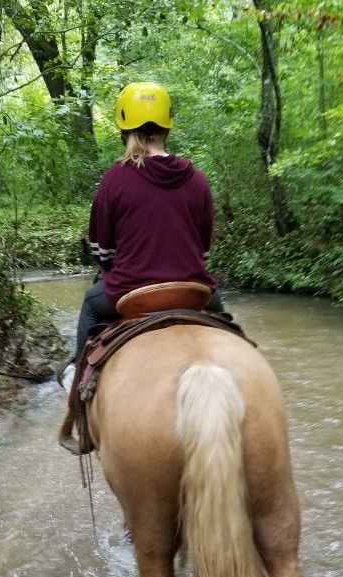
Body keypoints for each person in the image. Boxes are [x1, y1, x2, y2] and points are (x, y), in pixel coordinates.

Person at [60, 81, 223, 399]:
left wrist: (116, 266)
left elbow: (102, 250)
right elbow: (204, 248)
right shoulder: (198, 179)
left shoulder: (115, 178)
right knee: (230, 328)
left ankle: (80, 388)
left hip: (131, 291)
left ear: (124, 129)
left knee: (91, 307)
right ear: (166, 127)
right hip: (192, 291)